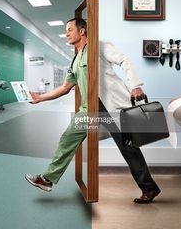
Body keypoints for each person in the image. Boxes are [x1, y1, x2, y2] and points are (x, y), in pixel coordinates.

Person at [25, 18, 160, 204]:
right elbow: (65, 87)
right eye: (66, 31)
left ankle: (149, 188)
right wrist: (40, 98)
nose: (67, 34)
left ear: (82, 31)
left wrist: (135, 85)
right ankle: (47, 179)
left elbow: (124, 60)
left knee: (129, 149)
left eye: (70, 30)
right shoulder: (74, 60)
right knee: (67, 138)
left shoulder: (99, 46)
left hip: (111, 107)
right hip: (89, 111)